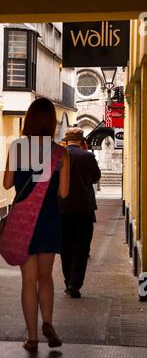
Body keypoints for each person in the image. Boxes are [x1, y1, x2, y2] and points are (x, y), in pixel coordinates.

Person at [3, 98, 70, 352]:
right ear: (52, 123)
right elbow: (63, 192)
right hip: (48, 220)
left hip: (23, 222)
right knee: (46, 277)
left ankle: (32, 338)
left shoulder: (17, 148)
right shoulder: (60, 153)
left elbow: (7, 184)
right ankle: (49, 322)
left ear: (28, 120)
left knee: (28, 280)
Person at [59, 127, 101, 298]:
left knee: (65, 247)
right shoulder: (88, 156)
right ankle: (75, 284)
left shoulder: (58, 156)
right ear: (83, 142)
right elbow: (96, 177)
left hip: (62, 209)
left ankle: (68, 280)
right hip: (84, 209)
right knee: (82, 248)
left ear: (66, 141)